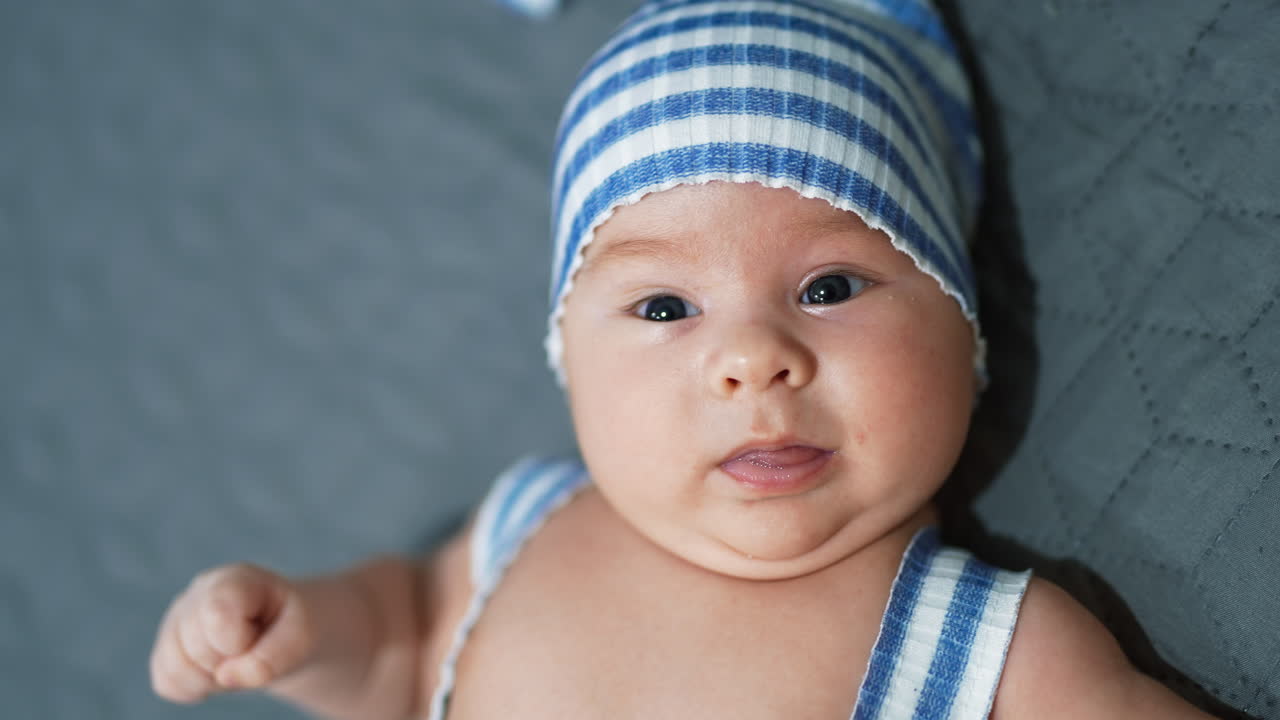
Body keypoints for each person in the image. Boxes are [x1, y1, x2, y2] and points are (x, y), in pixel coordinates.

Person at [149, 1, 1220, 717]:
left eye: (829, 287)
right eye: (664, 304)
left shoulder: (990, 648)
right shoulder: (520, 529)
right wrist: (299, 631)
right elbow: (398, 641)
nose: (751, 359)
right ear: (565, 351)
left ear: (962, 326)